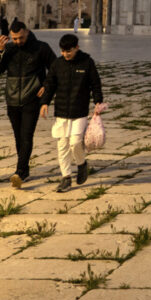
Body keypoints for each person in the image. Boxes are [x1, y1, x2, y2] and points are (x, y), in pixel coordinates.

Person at [0, 21, 55, 188]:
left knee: (26, 135)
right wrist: (0, 50)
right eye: (14, 38)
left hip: (31, 98)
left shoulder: (41, 48)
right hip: (12, 98)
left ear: (26, 32)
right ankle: (24, 169)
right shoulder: (10, 49)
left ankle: (20, 171)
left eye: (20, 38)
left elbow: (55, 69)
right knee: (18, 136)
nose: (18, 41)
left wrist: (46, 87)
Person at [40, 34, 103, 192]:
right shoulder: (57, 64)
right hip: (61, 111)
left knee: (75, 142)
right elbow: (50, 84)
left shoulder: (87, 62)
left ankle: (81, 164)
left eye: (69, 51)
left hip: (79, 110)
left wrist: (97, 101)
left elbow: (95, 83)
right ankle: (66, 177)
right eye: (62, 51)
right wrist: (44, 103)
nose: (65, 54)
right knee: (62, 144)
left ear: (77, 48)